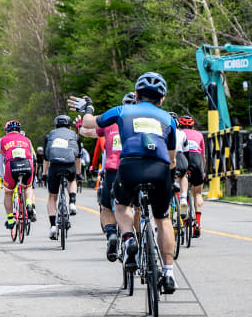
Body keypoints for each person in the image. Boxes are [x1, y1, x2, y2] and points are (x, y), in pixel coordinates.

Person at [72, 71, 178, 293]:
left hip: (130, 166)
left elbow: (89, 123)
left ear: (137, 95)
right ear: (162, 99)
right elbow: (172, 158)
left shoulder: (122, 110)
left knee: (120, 205)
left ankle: (129, 237)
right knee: (163, 219)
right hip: (159, 170)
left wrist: (87, 108)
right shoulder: (168, 118)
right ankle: (168, 273)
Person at [79, 92, 135, 261]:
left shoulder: (112, 123)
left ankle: (111, 233)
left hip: (113, 168)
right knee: (138, 207)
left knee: (107, 207)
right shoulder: (144, 121)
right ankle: (136, 238)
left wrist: (78, 126)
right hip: (136, 167)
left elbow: (87, 132)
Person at [42, 114, 82, 240]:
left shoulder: (50, 135)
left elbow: (46, 158)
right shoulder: (75, 135)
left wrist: (44, 174)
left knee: (52, 197)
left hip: (55, 166)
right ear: (70, 126)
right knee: (72, 180)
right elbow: (78, 157)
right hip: (69, 164)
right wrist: (79, 174)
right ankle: (72, 202)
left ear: (55, 125)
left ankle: (53, 226)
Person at [0, 120, 37, 228]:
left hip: (11, 165)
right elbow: (33, 158)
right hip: (27, 164)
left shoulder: (2, 140)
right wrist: (34, 173)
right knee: (28, 187)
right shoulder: (27, 139)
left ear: (6, 130)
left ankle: (10, 220)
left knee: (8, 193)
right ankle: (28, 204)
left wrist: (1, 175)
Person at [178, 115, 206, 237]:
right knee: (198, 193)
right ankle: (198, 224)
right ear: (192, 125)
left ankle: (183, 219)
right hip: (197, 160)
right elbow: (203, 156)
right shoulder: (199, 134)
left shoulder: (178, 133)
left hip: (183, 159)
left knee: (180, 188)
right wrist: (202, 170)